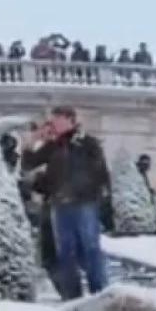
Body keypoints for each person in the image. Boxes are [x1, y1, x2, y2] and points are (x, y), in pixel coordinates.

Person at [20, 105, 110, 300]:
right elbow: (29, 163)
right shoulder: (54, 145)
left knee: (90, 248)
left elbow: (101, 172)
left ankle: (100, 292)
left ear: (70, 120)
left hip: (84, 202)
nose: (53, 124)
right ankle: (72, 295)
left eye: (57, 120)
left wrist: (98, 199)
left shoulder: (87, 143)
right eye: (52, 121)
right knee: (65, 251)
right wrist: (31, 142)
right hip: (60, 204)